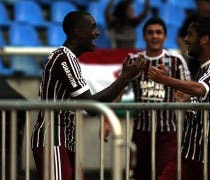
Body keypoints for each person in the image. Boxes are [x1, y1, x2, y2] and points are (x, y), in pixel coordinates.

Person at [31, 11, 147, 180]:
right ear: (78, 31)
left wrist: (125, 78)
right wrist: (124, 78)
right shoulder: (63, 58)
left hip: (64, 138)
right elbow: (90, 105)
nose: (97, 33)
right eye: (92, 27)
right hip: (52, 137)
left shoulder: (69, 59)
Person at [148, 16, 210, 179]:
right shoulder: (202, 70)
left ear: (204, 39)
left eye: (190, 34)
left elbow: (200, 89)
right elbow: (200, 99)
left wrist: (166, 80)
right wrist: (187, 101)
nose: (186, 39)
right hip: (188, 155)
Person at [126, 17, 191, 179]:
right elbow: (119, 90)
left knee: (166, 175)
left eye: (158, 32)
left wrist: (182, 94)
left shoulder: (176, 61)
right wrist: (106, 119)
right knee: (139, 175)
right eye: (150, 33)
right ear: (144, 36)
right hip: (141, 131)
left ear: (165, 37)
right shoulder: (134, 61)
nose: (154, 36)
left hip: (168, 133)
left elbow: (189, 89)